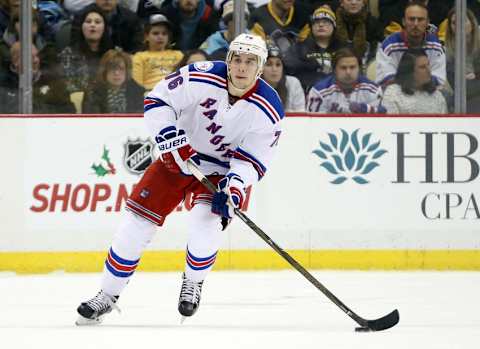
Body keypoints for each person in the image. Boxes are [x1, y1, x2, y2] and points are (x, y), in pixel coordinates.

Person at [75, 33, 284, 325]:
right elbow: (159, 99)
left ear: (260, 67)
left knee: (205, 227)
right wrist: (169, 136)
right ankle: (107, 296)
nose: (241, 66)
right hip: (177, 158)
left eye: (250, 61)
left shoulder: (269, 108)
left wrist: (234, 188)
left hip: (220, 172)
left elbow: (253, 160)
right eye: (237, 58)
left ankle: (194, 282)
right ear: (228, 59)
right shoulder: (202, 76)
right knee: (135, 226)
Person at [376, 1, 446, 87]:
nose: (415, 24)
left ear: (427, 22)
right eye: (411, 19)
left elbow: (439, 78)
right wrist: (415, 82)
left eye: (420, 19)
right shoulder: (389, 45)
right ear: (403, 21)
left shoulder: (435, 45)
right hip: (396, 95)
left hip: (426, 93)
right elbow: (385, 78)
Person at [0, 42, 75, 114]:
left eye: (37, 56)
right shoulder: (4, 83)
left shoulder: (52, 79)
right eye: (31, 57)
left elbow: (69, 110)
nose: (36, 60)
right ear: (16, 61)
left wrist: (41, 112)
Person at [307, 47, 383, 113]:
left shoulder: (373, 90)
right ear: (334, 70)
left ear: (359, 69)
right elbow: (312, 123)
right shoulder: (319, 92)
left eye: (352, 67)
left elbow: (381, 120)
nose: (348, 72)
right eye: (343, 68)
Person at [284, 5, 340, 93]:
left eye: (325, 22)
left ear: (334, 26)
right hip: (306, 95)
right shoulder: (298, 48)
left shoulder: (343, 49)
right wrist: (309, 65)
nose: (321, 25)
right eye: (316, 22)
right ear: (311, 27)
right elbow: (288, 67)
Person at [58, 7, 113, 93]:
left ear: (105, 28)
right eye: (88, 21)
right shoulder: (68, 54)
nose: (92, 25)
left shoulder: (114, 55)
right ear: (82, 27)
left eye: (97, 22)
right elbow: (67, 86)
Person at [381, 48, 447, 114]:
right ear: (409, 71)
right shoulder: (393, 93)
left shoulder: (437, 96)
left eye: (428, 65)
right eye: (422, 67)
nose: (429, 70)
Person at [83, 49, 145, 113]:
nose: (116, 73)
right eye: (112, 68)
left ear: (127, 71)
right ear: (105, 71)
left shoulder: (136, 91)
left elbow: (140, 118)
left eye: (121, 69)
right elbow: (91, 119)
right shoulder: (92, 91)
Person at [132, 14, 183, 91]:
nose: (160, 37)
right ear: (146, 36)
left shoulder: (178, 55)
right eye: (155, 33)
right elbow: (137, 84)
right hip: (150, 93)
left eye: (164, 34)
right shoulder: (139, 57)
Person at [72, 0, 143, 53]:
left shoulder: (131, 19)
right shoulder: (81, 17)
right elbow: (75, 46)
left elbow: (136, 49)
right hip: (89, 62)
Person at [444, 8, 480, 113]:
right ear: (451, 28)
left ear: (472, 23)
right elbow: (457, 86)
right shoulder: (449, 52)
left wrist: (476, 75)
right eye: (454, 23)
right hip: (465, 97)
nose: (459, 26)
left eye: (463, 21)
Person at [334, 0, 382, 66]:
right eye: (349, 0)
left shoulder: (373, 23)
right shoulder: (333, 22)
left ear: (363, 3)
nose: (353, 2)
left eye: (358, 0)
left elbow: (376, 49)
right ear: (341, 3)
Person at [262, 44, 305, 111]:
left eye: (278, 65)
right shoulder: (252, 85)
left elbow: (300, 114)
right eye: (269, 64)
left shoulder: (293, 83)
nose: (274, 69)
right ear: (261, 68)